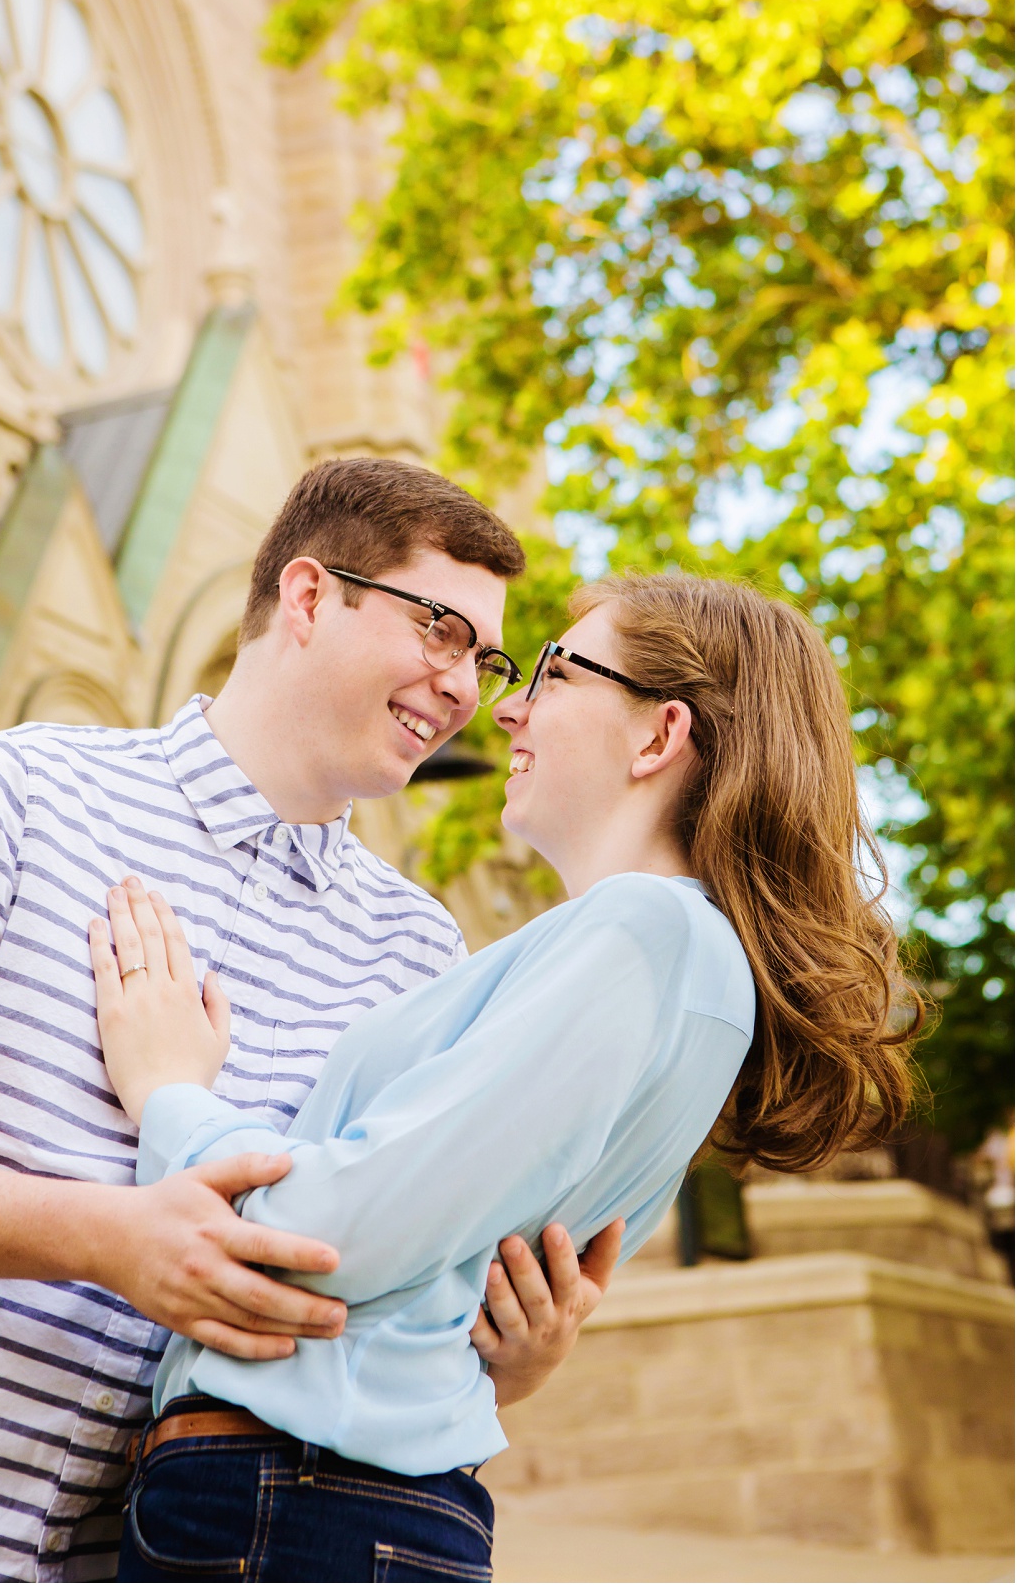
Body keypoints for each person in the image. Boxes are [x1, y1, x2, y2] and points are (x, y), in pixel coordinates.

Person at [0, 459, 625, 1585]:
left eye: (485, 661)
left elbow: (368, 1308)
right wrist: (109, 1235)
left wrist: (505, 1359)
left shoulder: (423, 954)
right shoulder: (13, 791)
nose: (465, 688)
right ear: (306, 596)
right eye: (442, 629)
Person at [90, 569, 921, 1584]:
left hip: (294, 1504)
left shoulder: (648, 931)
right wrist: (509, 1357)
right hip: (327, 1503)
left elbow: (325, 1243)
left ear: (659, 737)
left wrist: (171, 1089)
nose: (509, 705)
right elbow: (461, 1275)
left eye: (554, 673)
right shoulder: (675, 958)